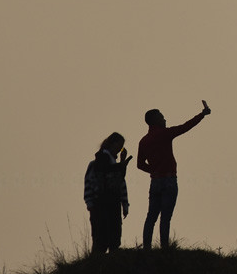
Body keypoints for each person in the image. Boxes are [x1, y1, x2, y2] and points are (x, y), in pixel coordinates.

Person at [138, 100, 211, 248]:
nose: (165, 119)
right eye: (162, 117)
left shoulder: (144, 141)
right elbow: (185, 127)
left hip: (155, 182)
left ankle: (147, 248)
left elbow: (140, 165)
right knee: (165, 218)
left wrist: (153, 170)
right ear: (155, 120)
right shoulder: (165, 134)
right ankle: (164, 248)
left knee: (151, 217)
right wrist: (202, 114)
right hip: (169, 180)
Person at [84, 132, 132, 254]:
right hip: (102, 205)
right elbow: (89, 185)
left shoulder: (110, 164)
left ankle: (102, 266)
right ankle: (101, 266)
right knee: (104, 239)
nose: (119, 150)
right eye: (119, 146)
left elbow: (120, 183)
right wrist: (90, 204)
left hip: (108, 205)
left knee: (108, 238)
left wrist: (125, 204)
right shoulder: (98, 164)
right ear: (112, 144)